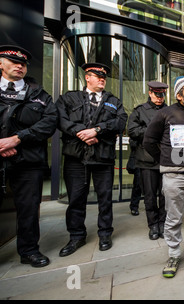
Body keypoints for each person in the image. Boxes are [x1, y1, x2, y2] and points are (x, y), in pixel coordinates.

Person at [57, 62, 128, 256]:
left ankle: (105, 234)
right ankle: (76, 236)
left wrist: (97, 130)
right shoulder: (69, 98)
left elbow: (120, 121)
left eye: (104, 76)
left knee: (105, 198)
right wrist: (81, 132)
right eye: (98, 75)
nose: (102, 78)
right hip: (76, 157)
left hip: (103, 157)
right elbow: (61, 120)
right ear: (87, 77)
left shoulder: (114, 101)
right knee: (76, 199)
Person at [143, 77, 184, 278]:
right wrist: (166, 162)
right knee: (173, 218)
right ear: (179, 94)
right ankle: (173, 255)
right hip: (174, 176)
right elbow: (149, 141)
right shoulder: (165, 113)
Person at [0, 45, 57, 267]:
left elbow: (49, 123)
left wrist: (17, 139)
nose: (19, 66)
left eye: (23, 63)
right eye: (14, 62)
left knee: (29, 209)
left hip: (28, 161)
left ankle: (29, 250)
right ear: (1, 64)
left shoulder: (39, 95)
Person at [128, 81, 168, 240]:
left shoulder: (169, 110)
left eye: (162, 95)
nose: (159, 98)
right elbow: (132, 130)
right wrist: (153, 132)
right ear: (150, 93)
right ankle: (153, 226)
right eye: (157, 95)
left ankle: (163, 223)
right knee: (150, 196)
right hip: (146, 160)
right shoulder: (139, 111)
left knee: (166, 196)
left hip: (165, 159)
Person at [126, 138, 141, 216]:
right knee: (137, 185)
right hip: (138, 161)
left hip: (151, 160)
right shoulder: (136, 131)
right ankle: (134, 207)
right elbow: (133, 144)